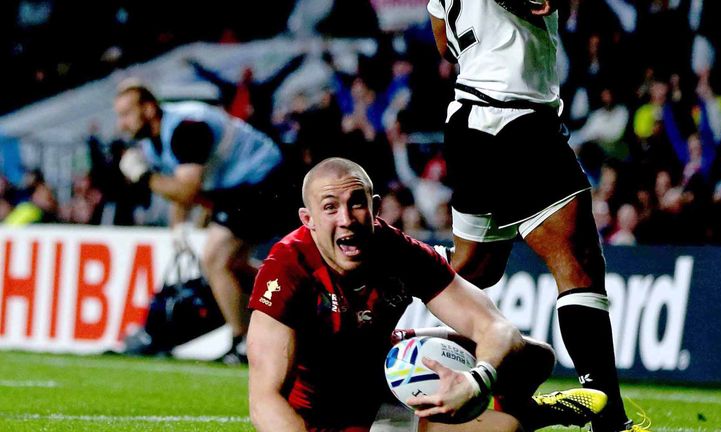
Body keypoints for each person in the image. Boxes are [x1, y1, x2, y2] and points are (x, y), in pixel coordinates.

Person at [246, 158, 607, 432]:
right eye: (330, 207)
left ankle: (524, 410)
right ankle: (525, 418)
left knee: (531, 358)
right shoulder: (287, 267)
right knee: (505, 429)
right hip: (325, 409)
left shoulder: (399, 252)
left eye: (357, 203)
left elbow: (497, 329)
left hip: (381, 369)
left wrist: (474, 380)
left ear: (373, 208)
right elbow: (264, 399)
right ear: (307, 219)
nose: (346, 219)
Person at [426, 1, 646, 431]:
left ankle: (383, 288)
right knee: (578, 261)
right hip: (514, 116)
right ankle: (611, 423)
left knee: (470, 272)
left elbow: (443, 43)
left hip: (470, 121)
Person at [114, 80, 300, 365]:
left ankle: (242, 343)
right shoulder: (158, 136)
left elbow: (187, 189)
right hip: (242, 186)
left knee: (215, 259)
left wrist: (144, 177)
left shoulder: (186, 129)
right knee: (231, 266)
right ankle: (295, 295)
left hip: (264, 180)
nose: (122, 124)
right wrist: (179, 226)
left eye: (126, 114)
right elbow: (181, 186)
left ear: (149, 109)